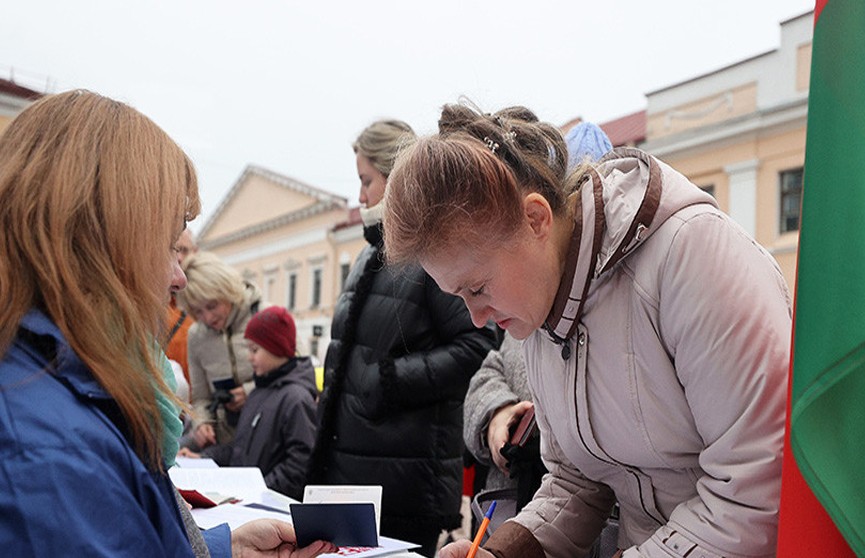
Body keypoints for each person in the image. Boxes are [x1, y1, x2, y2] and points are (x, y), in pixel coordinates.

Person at [382, 102, 792, 558]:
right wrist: (505, 552)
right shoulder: (541, 309)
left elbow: (759, 488)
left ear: (536, 218)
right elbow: (576, 481)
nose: (476, 317)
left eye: (477, 288)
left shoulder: (692, 259)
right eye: (458, 296)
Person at [0, 90, 336, 558]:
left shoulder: (54, 396)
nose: (177, 277)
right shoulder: (50, 457)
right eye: (166, 243)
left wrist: (220, 548)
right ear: (103, 238)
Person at [306, 118, 499, 557]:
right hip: (354, 480)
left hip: (405, 488)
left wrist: (391, 380)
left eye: (366, 180)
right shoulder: (371, 253)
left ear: (394, 177)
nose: (360, 196)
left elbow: (479, 345)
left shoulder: (432, 250)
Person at [464, 121, 612, 508]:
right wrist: (497, 416)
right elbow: (488, 370)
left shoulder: (619, 303)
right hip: (522, 506)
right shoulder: (524, 297)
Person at [180, 306, 317, 501]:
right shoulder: (258, 394)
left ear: (276, 347)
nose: (249, 357)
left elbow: (299, 465)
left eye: (255, 349)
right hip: (250, 501)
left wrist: (257, 492)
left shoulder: (296, 398)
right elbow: (240, 449)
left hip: (271, 508)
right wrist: (204, 458)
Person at [176, 250, 266, 450]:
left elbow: (298, 374)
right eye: (198, 311)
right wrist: (202, 423)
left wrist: (249, 392)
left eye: (212, 306)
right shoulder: (196, 336)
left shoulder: (264, 316)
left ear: (226, 291)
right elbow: (200, 398)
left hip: (265, 436)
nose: (207, 318)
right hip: (223, 441)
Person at [165, 228, 199, 387]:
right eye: (173, 250)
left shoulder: (205, 301)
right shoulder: (156, 299)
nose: (178, 257)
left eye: (183, 250)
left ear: (195, 252)